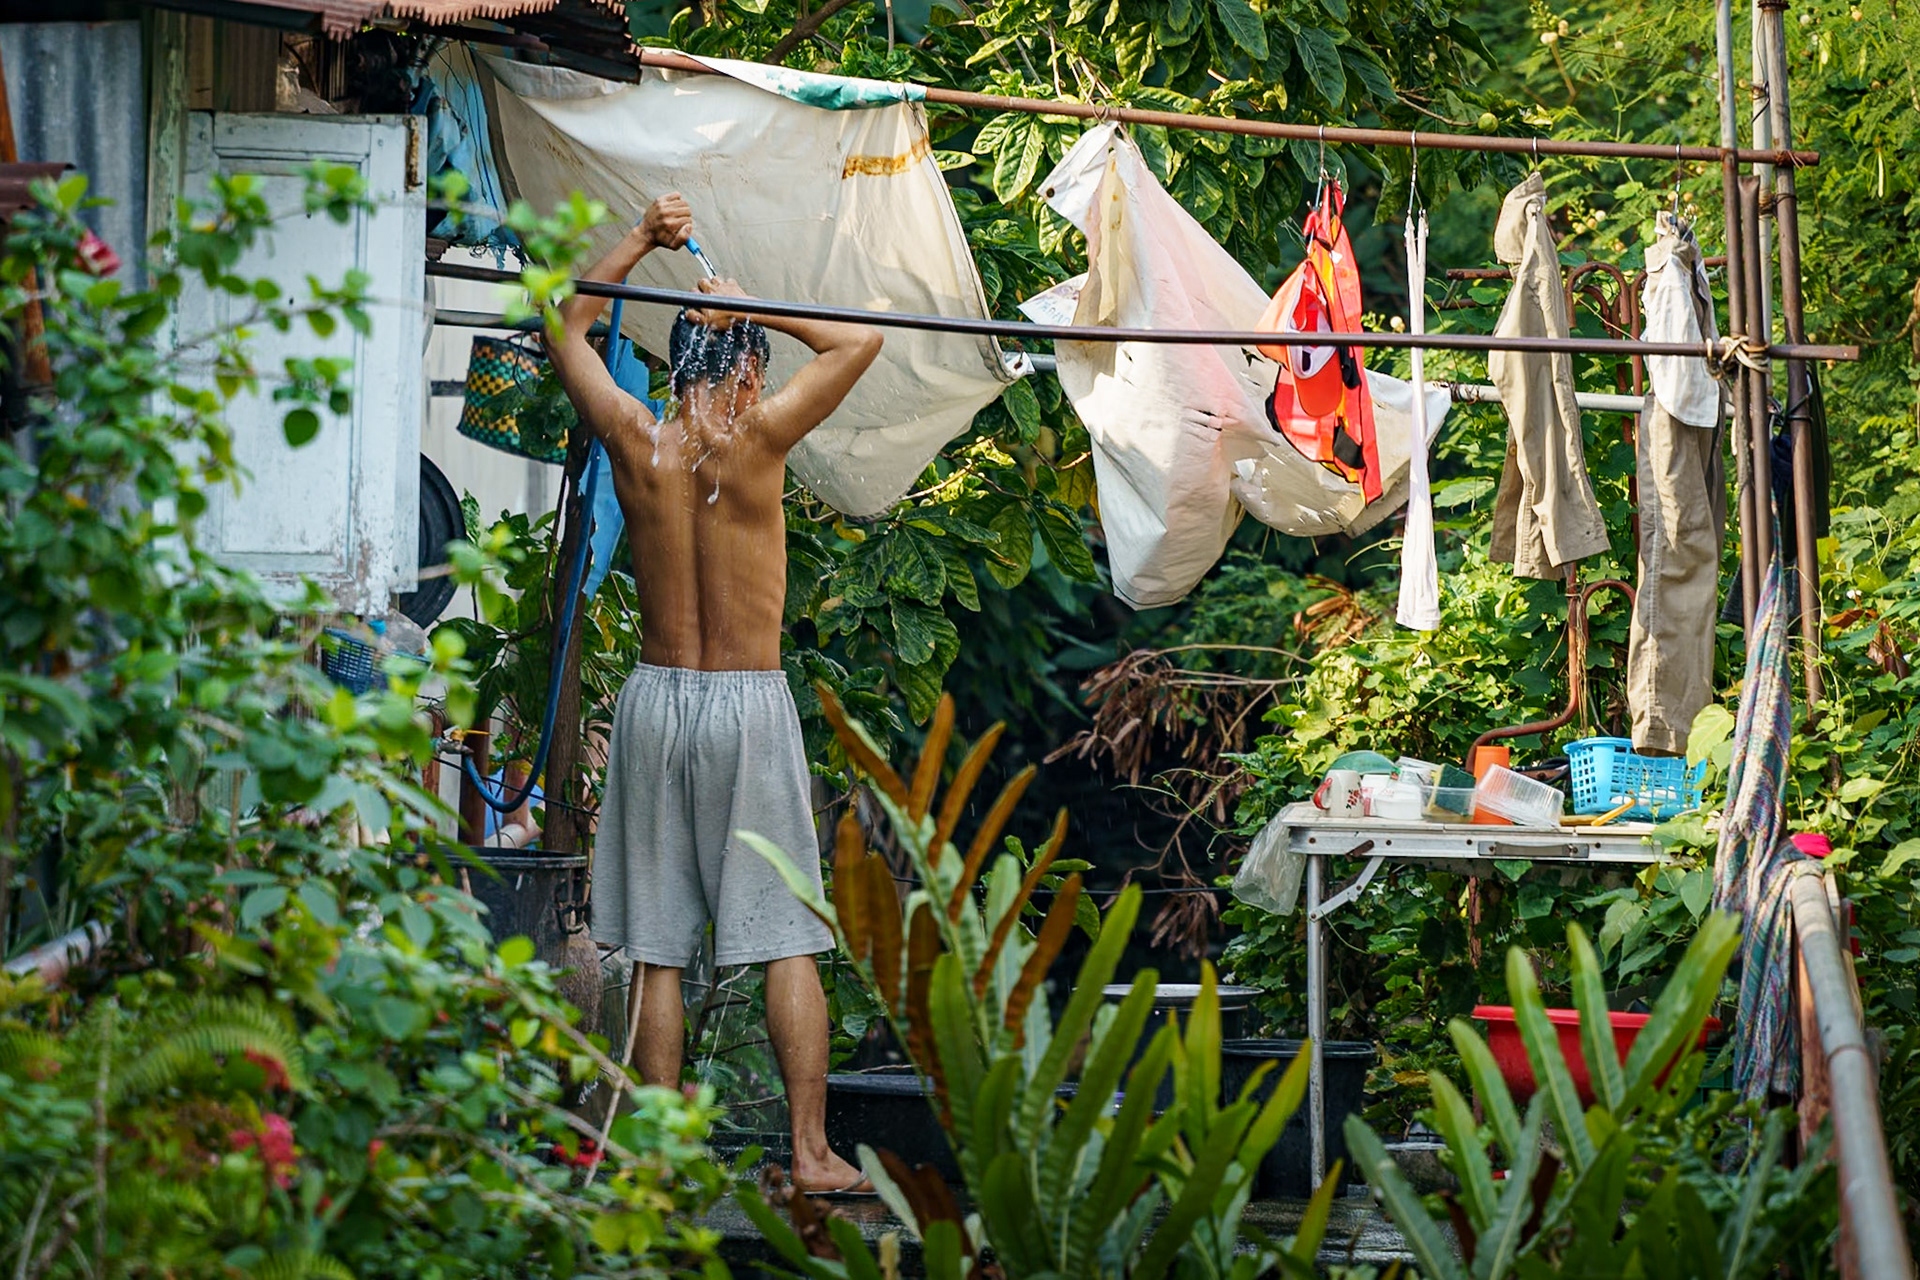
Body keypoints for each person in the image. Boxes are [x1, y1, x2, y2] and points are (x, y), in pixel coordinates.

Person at [547, 193, 882, 1195]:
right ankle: (811, 1154)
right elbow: (859, 341)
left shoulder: (635, 439)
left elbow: (566, 322)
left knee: (656, 948)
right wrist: (754, 304)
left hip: (655, 703)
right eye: (755, 368)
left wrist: (640, 241)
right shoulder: (759, 438)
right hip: (745, 699)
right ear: (744, 374)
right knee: (787, 941)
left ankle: (663, 1157)